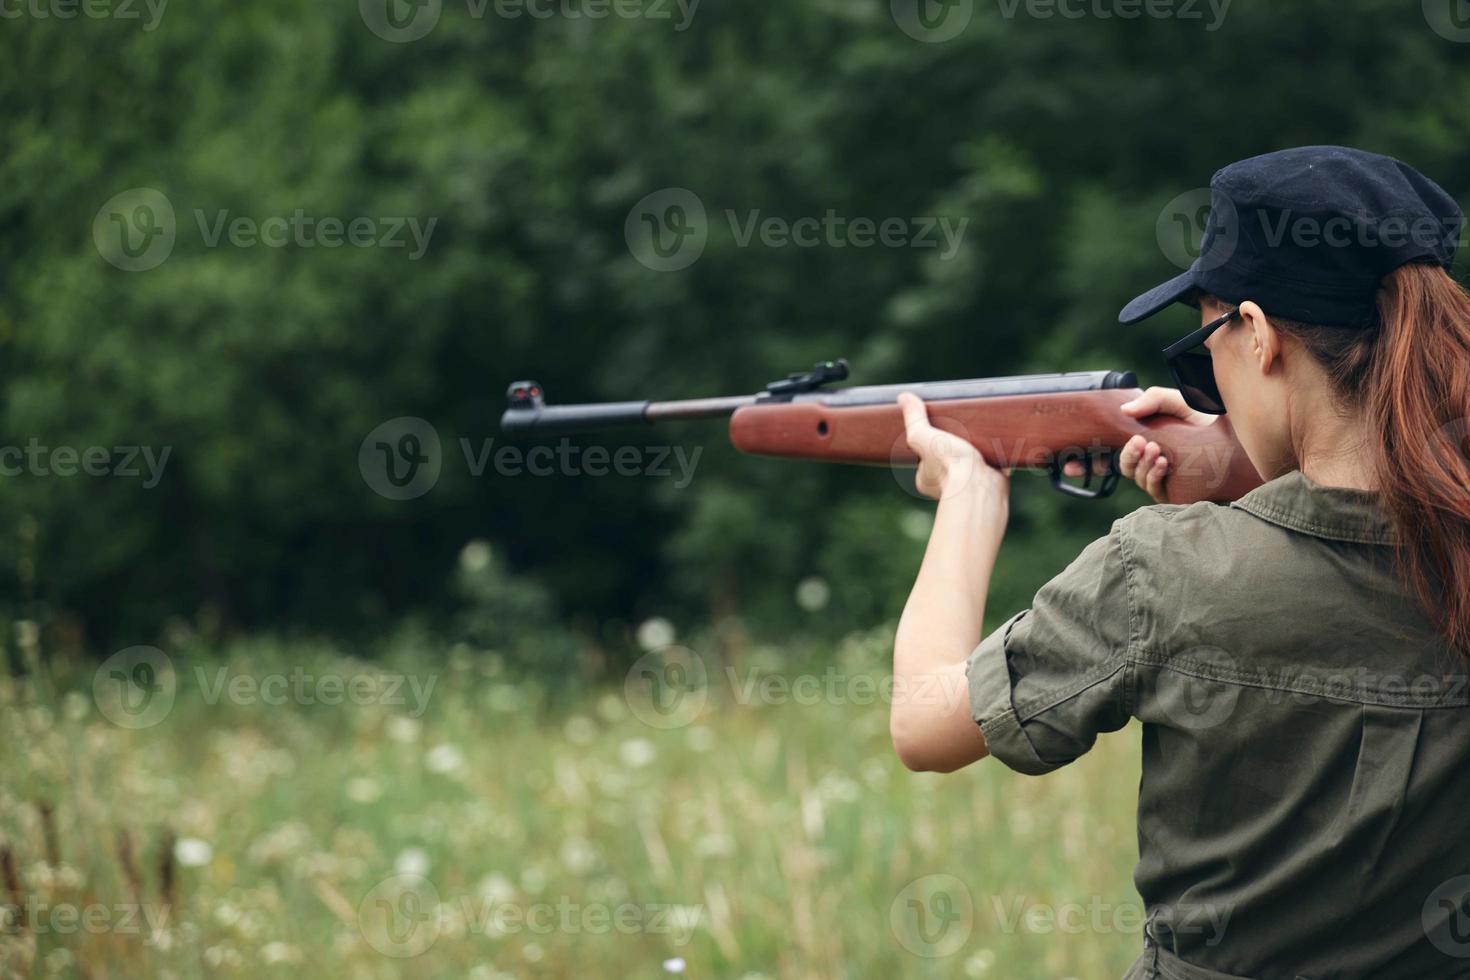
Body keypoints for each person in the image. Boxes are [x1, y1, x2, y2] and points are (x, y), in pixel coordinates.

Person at [888, 146, 1470, 978]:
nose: (1206, 384)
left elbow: (923, 722)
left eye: (1206, 346)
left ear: (1261, 336)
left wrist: (969, 501)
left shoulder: (1161, 572)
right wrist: (1240, 475)